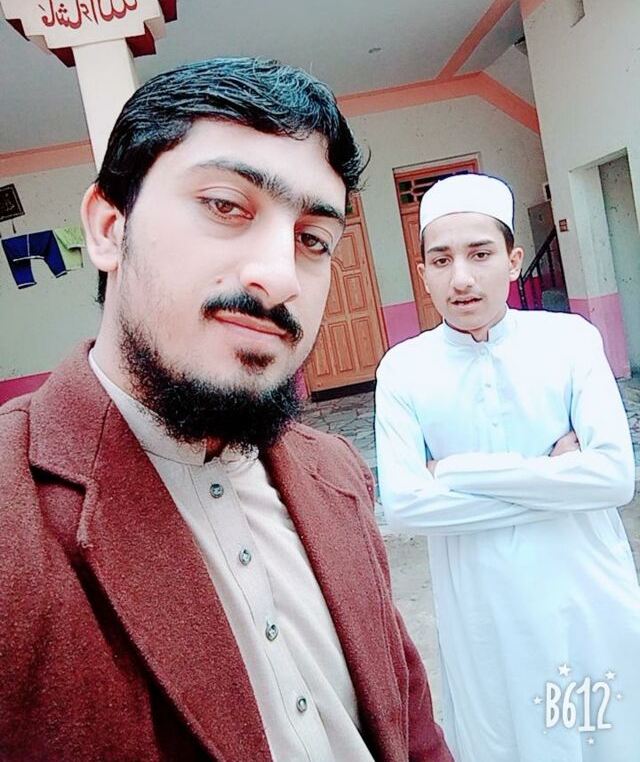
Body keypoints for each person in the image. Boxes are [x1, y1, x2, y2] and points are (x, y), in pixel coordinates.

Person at [0, 58, 451, 762]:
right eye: (225, 205)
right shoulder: (13, 515)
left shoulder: (335, 474)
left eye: (313, 240)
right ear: (109, 227)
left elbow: (411, 723)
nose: (279, 276)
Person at [375, 172, 640, 762]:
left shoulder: (570, 341)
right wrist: (556, 478)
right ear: (423, 273)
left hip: (585, 595)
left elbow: (614, 478)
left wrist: (455, 472)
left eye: (480, 254)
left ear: (513, 261)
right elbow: (407, 506)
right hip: (484, 610)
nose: (461, 278)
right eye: (441, 260)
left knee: (603, 739)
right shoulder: (404, 369)